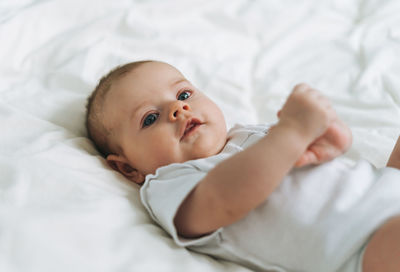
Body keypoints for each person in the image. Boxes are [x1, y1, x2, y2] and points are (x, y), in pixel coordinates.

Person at [85, 60, 400, 272]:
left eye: (183, 93)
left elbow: (325, 166)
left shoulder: (250, 133)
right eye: (150, 118)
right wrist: (292, 133)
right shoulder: (168, 183)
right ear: (128, 169)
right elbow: (222, 200)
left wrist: (329, 139)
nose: (178, 109)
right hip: (363, 246)